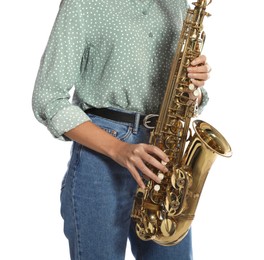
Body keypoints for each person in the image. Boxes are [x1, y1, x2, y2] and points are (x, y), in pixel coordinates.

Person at [32, 0, 211, 259]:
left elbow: (178, 93)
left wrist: (193, 85)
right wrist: (119, 149)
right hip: (100, 160)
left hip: (164, 159)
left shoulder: (174, 4)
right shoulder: (82, 3)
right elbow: (47, 97)